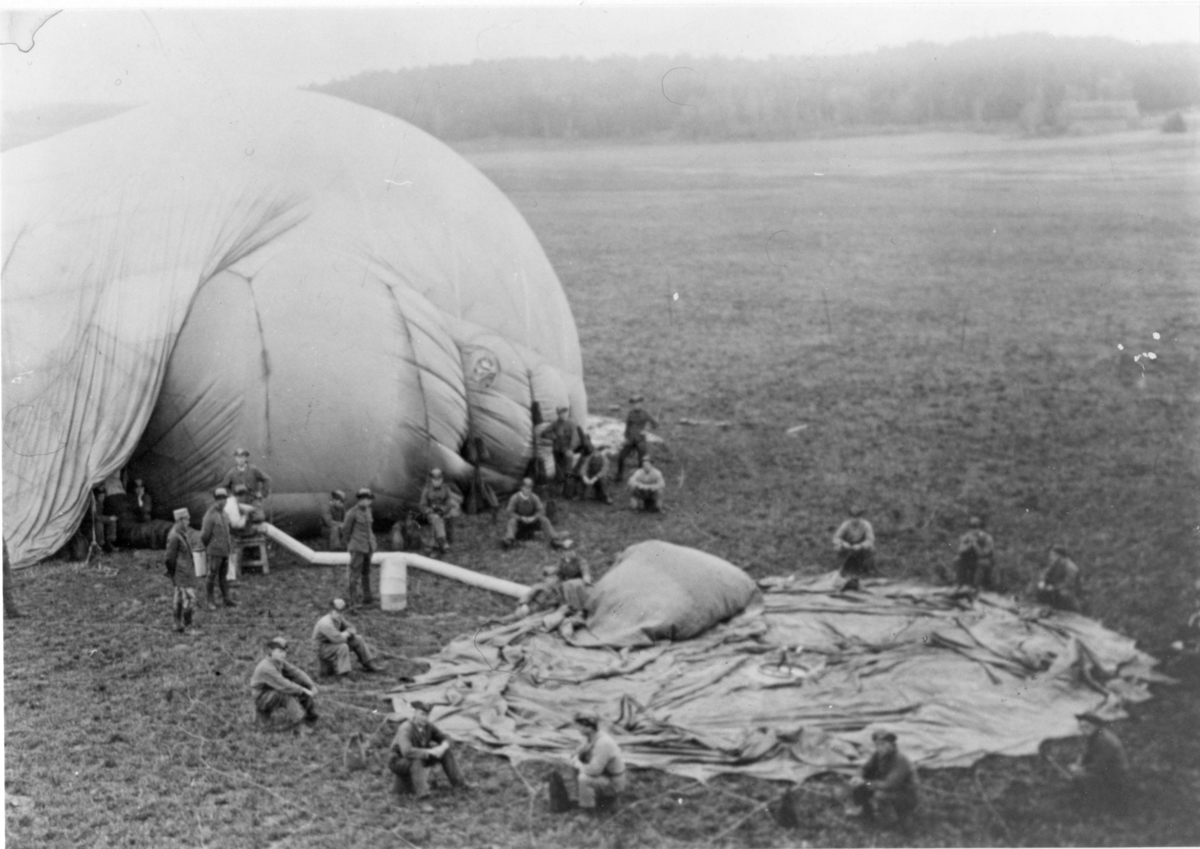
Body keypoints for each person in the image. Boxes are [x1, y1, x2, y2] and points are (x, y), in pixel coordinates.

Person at [388, 701, 468, 799]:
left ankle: (459, 784)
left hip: (420, 756)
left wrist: (442, 747)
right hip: (398, 760)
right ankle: (423, 795)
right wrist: (430, 752)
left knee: (445, 751)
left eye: (427, 715)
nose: (424, 718)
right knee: (415, 760)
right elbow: (406, 751)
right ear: (415, 713)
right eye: (422, 714)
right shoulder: (406, 728)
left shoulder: (428, 726)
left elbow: (445, 737)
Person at [848, 730, 918, 827]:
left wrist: (865, 782)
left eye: (883, 744)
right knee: (858, 784)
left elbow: (889, 785)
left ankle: (890, 820)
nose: (880, 747)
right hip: (885, 786)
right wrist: (858, 776)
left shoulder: (900, 760)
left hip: (905, 793)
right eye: (877, 744)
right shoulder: (878, 755)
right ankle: (865, 811)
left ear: (892, 744)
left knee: (880, 795)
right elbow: (864, 768)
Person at [250, 636, 319, 731]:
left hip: (271, 692)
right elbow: (285, 685)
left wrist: (311, 685)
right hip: (262, 698)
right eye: (280, 652)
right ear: (271, 651)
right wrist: (304, 691)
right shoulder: (266, 668)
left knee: (301, 684)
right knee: (286, 694)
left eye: (284, 652)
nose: (283, 654)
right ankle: (299, 724)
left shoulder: (278, 662)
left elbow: (296, 672)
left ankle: (310, 716)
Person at [1069, 713, 1132, 813]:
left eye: (1087, 726)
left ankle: (1093, 808)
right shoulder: (1096, 735)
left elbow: (1100, 765)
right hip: (1109, 770)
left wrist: (1080, 769)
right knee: (1077, 774)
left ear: (1095, 725)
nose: (1083, 729)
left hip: (1117, 774)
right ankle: (1090, 802)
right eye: (1081, 727)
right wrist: (1080, 762)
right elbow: (1088, 754)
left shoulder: (1104, 740)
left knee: (1079, 777)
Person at [572, 712, 627, 812]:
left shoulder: (603, 743)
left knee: (583, 778)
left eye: (580, 725)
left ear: (589, 727)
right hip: (606, 775)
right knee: (578, 766)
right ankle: (582, 797)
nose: (578, 728)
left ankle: (588, 810)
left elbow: (594, 771)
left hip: (614, 783)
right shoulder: (593, 737)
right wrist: (577, 758)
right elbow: (579, 752)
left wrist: (578, 764)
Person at [312, 597, 379, 677]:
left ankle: (369, 664)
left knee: (358, 639)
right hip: (322, 647)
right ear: (331, 611)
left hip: (332, 643)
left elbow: (352, 628)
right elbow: (338, 639)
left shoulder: (338, 618)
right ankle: (344, 673)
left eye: (341, 612)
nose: (340, 614)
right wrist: (344, 634)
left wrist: (346, 633)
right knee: (343, 647)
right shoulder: (325, 623)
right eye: (337, 612)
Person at [501, 477, 566, 549]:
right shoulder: (515, 498)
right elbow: (509, 512)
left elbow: (541, 511)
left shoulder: (534, 497)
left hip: (532, 522)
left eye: (530, 488)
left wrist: (534, 517)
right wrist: (520, 518)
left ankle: (554, 540)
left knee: (544, 520)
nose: (528, 490)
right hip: (520, 524)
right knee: (512, 521)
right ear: (521, 488)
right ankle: (509, 540)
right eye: (526, 487)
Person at [200, 487, 236, 609]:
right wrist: (210, 548)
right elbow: (204, 535)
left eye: (224, 499)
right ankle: (210, 600)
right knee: (212, 575)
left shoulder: (224, 513)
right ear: (215, 500)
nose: (223, 501)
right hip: (215, 551)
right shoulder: (210, 515)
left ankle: (226, 598)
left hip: (225, 550)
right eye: (219, 499)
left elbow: (228, 531)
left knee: (223, 576)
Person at [164, 508, 198, 633]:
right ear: (179, 520)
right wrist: (175, 573)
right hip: (182, 573)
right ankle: (188, 627)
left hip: (182, 572)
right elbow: (169, 558)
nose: (189, 521)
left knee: (178, 598)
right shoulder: (174, 536)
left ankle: (178, 625)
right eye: (186, 519)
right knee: (189, 599)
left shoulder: (181, 533)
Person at [341, 488, 377, 606]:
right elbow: (346, 530)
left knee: (366, 572)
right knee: (355, 574)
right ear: (360, 499)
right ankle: (353, 601)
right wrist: (351, 545)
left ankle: (367, 597)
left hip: (368, 547)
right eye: (364, 499)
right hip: (358, 547)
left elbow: (369, 529)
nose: (367, 502)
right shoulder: (352, 513)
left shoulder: (368, 511)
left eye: (369, 499)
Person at [419, 468, 463, 555]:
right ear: (431, 480)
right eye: (435, 479)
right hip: (431, 513)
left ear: (442, 479)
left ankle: (439, 542)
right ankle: (443, 542)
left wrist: (442, 510)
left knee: (449, 515)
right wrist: (428, 510)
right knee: (436, 518)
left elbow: (449, 503)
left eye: (439, 479)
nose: (437, 481)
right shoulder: (427, 490)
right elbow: (422, 505)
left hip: (444, 511)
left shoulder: (446, 489)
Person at [614, 395, 658, 480]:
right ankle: (619, 476)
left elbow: (655, 424)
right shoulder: (630, 413)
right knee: (621, 457)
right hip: (630, 439)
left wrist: (646, 430)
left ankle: (639, 477)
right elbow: (627, 426)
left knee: (642, 460)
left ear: (641, 404)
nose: (636, 405)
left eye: (638, 403)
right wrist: (626, 437)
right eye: (634, 404)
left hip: (640, 440)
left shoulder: (645, 413)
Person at [953, 516, 996, 592]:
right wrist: (969, 545)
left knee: (983, 563)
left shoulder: (987, 538)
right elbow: (960, 550)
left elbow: (983, 553)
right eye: (972, 527)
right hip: (971, 560)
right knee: (958, 559)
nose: (974, 530)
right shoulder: (967, 536)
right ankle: (960, 584)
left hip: (983, 561)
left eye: (976, 527)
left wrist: (975, 544)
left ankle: (976, 587)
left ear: (980, 528)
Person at [1035, 545, 1083, 612]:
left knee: (1063, 594)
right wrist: (1042, 581)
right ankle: (1044, 607)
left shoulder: (1071, 568)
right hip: (1056, 588)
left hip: (1070, 593)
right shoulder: (1055, 563)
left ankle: (1065, 611)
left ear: (1059, 556)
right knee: (1040, 588)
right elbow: (1045, 572)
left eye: (1053, 555)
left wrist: (1054, 588)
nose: (1051, 557)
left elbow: (1068, 584)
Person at [833, 507, 876, 577]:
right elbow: (836, 538)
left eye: (857, 517)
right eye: (853, 517)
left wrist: (861, 546)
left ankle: (868, 569)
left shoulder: (866, 525)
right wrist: (843, 543)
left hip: (861, 544)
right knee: (838, 548)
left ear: (860, 517)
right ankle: (841, 568)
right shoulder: (845, 524)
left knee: (871, 548)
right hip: (848, 545)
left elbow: (871, 540)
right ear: (850, 517)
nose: (855, 519)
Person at [572, 436, 613, 504]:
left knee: (604, 479)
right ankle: (580, 495)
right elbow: (584, 467)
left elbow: (604, 471)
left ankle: (606, 496)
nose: (596, 453)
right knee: (581, 478)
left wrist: (595, 478)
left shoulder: (605, 460)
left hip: (600, 477)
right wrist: (584, 476)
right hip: (591, 475)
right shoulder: (590, 457)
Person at [546, 406, 576, 494]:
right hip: (557, 451)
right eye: (561, 414)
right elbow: (545, 433)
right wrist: (552, 436)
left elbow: (575, 438)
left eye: (565, 413)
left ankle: (569, 491)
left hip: (567, 451)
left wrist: (571, 449)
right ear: (558, 414)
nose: (564, 415)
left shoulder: (571, 423)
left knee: (569, 472)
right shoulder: (555, 424)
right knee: (559, 471)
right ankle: (559, 490)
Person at [89, 484, 119, 553]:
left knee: (112, 522)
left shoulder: (103, 503)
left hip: (100, 519)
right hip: (91, 522)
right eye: (100, 496)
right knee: (99, 524)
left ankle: (109, 543)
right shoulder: (93, 504)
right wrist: (109, 518)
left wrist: (112, 518)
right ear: (96, 497)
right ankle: (100, 546)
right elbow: (95, 517)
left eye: (103, 496)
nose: (102, 498)